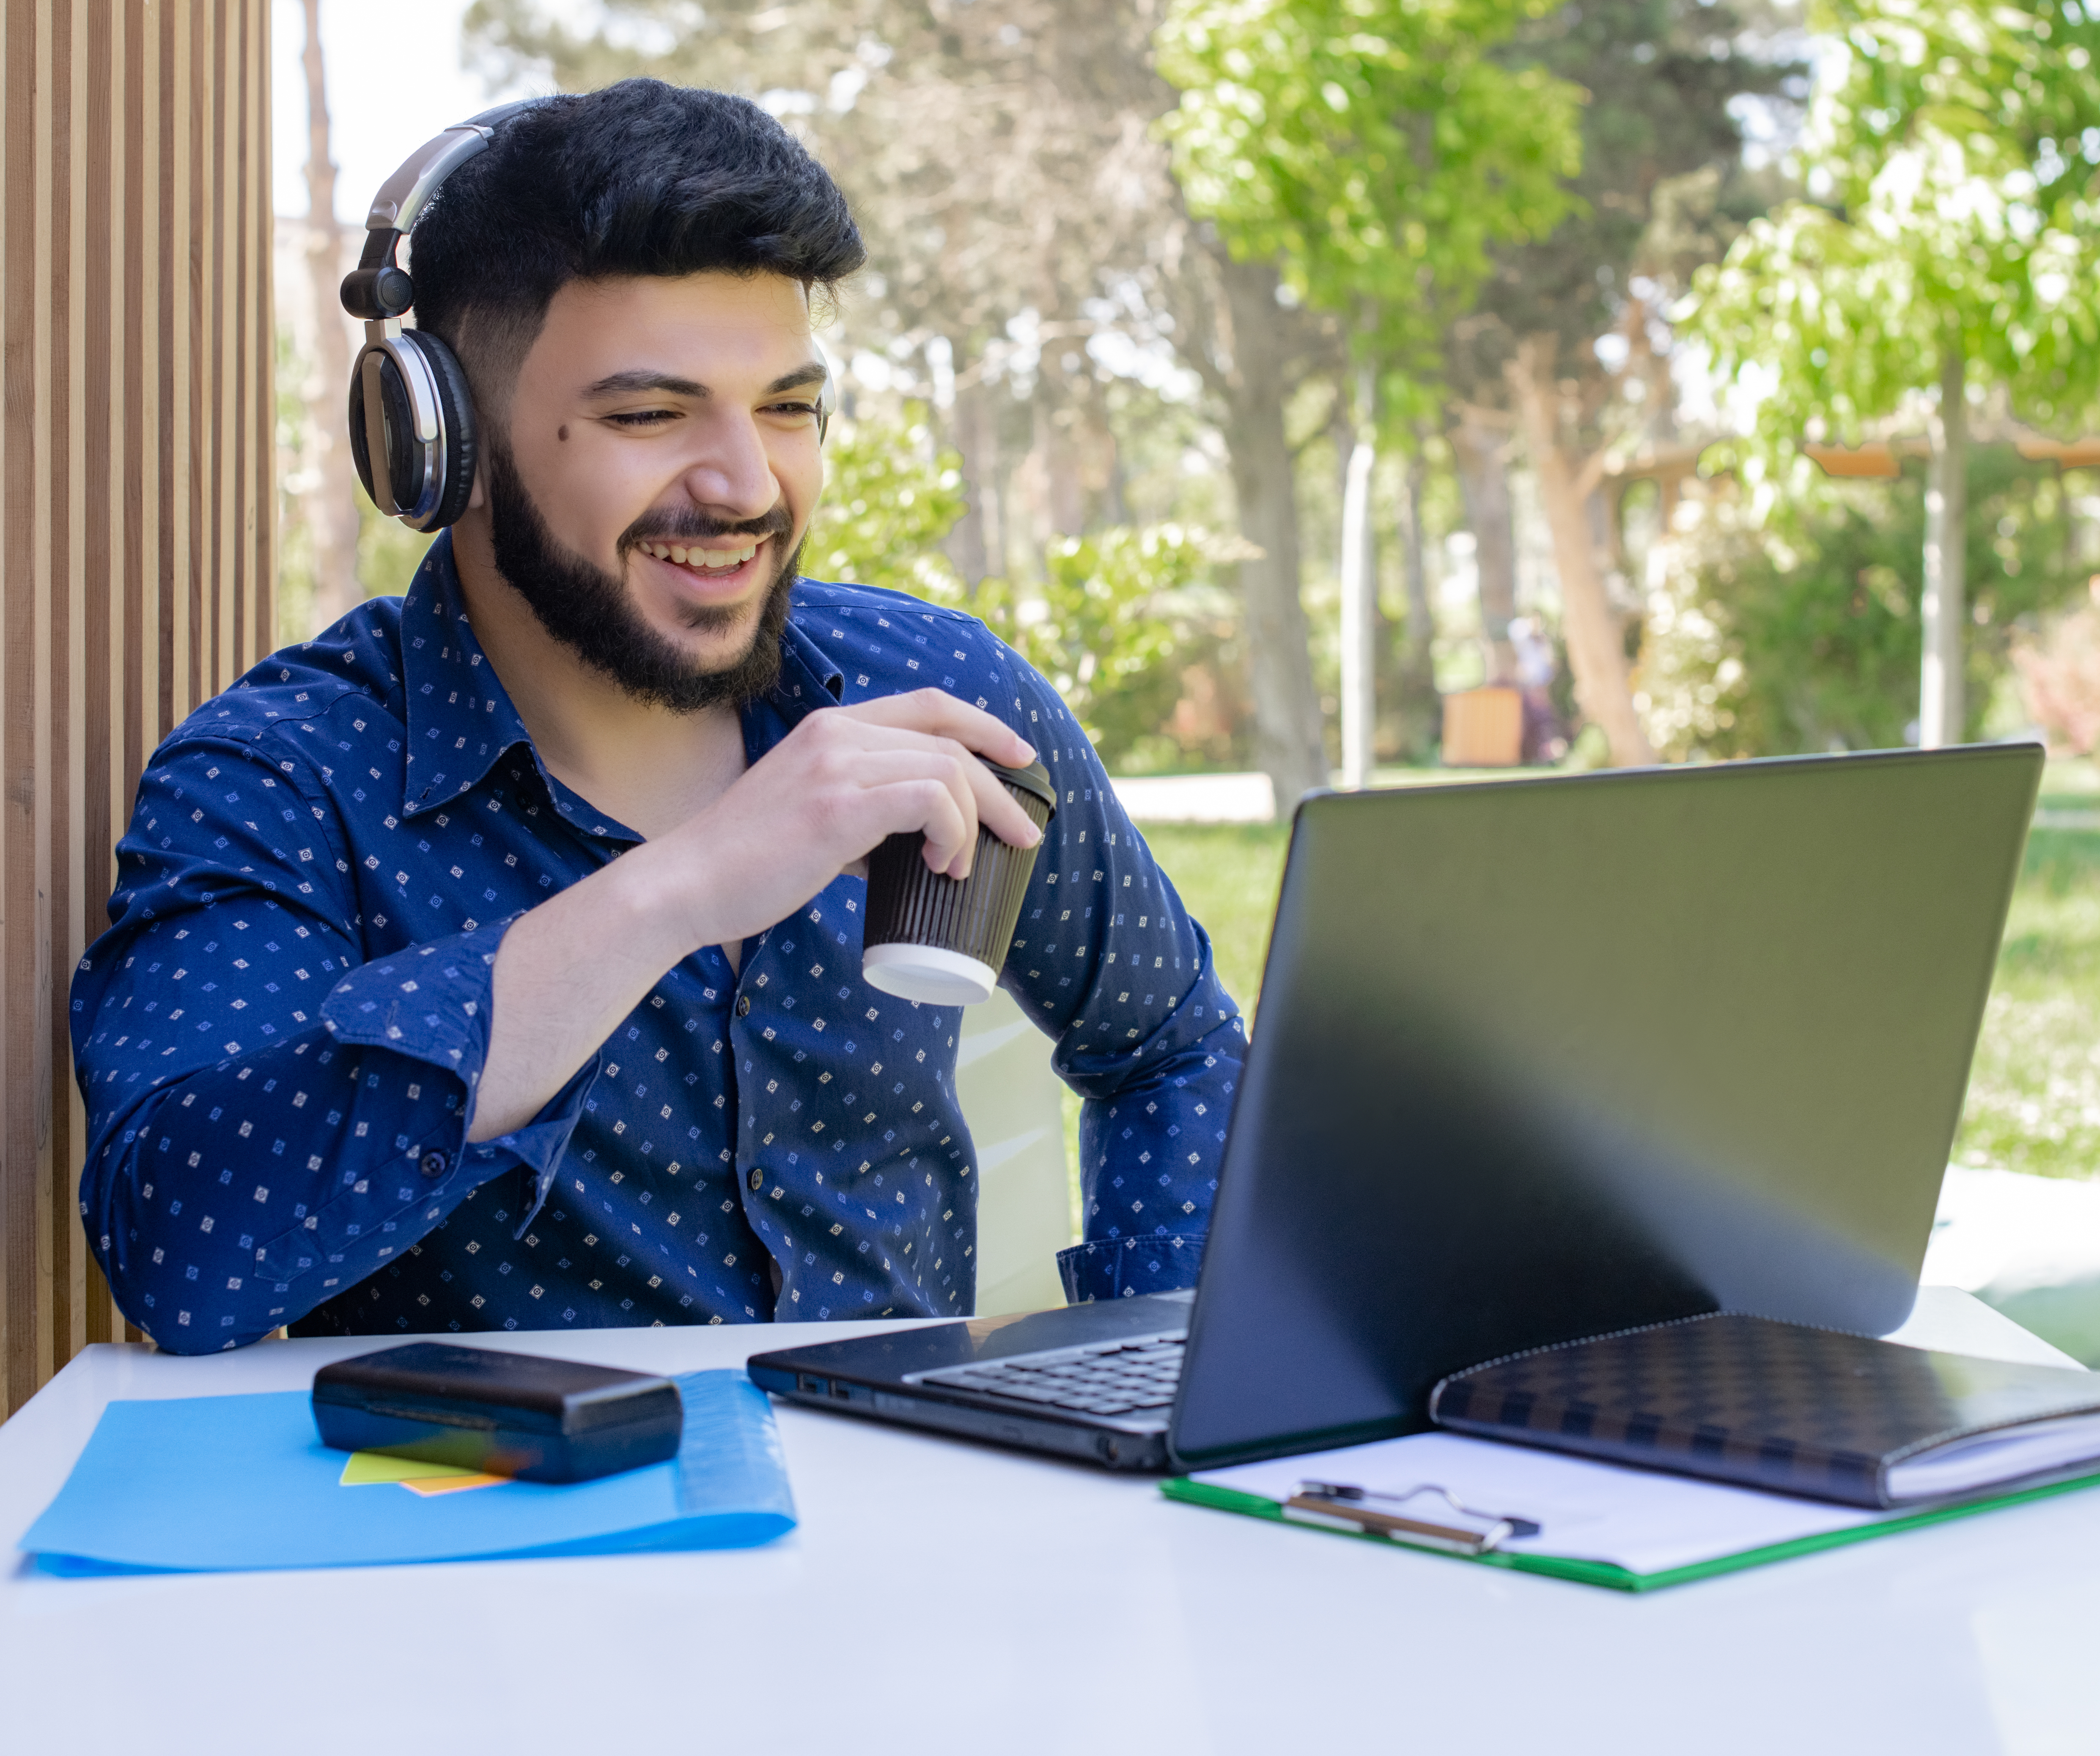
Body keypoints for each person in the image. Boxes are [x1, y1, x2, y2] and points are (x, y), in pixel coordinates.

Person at [69, 82, 1246, 1354]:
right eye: (648, 415)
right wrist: (678, 892)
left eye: (788, 408)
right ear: (439, 446)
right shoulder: (280, 778)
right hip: (501, 1540)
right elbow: (180, 1252)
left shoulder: (936, 694)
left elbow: (1173, 1049)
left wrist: (1157, 1376)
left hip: (916, 1528)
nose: (747, 486)